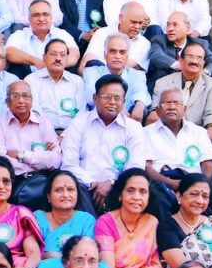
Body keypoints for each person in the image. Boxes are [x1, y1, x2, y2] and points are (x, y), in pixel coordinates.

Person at [61, 74, 148, 210]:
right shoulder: (78, 123)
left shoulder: (134, 128)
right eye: (107, 97)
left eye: (117, 98)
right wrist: (93, 184)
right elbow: (69, 164)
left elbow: (135, 167)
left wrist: (111, 183)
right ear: (95, 98)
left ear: (124, 101)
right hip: (84, 187)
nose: (112, 102)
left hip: (119, 188)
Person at [144, 86, 212, 219]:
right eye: (167, 103)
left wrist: (201, 186)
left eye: (177, 103)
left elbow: (208, 164)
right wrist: (170, 183)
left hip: (194, 180)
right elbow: (147, 167)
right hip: (162, 181)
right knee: (156, 195)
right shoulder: (146, 132)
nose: (172, 107)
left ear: (184, 110)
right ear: (157, 110)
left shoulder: (199, 132)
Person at [32, 169, 104, 268]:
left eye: (70, 190)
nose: (65, 194)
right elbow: (32, 252)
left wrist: (59, 256)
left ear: (77, 194)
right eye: (59, 190)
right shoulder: (37, 218)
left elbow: (90, 254)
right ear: (48, 196)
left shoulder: (86, 220)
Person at [0, 80, 62, 181]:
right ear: (7, 102)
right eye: (15, 96)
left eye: (25, 96)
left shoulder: (44, 123)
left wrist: (21, 155)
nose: (21, 100)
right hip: (11, 181)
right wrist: (33, 167)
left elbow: (56, 160)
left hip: (43, 179)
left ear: (32, 100)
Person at [149, 41, 212, 139]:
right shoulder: (163, 83)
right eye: (190, 57)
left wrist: (206, 141)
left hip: (198, 136)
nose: (194, 61)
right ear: (181, 60)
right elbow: (156, 110)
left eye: (199, 58)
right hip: (167, 134)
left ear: (203, 63)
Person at [80, 33, 150, 122]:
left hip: (129, 121)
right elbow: (92, 95)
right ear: (105, 55)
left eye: (122, 52)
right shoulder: (92, 71)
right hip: (98, 120)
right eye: (112, 51)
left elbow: (141, 92)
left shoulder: (137, 74)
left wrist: (139, 105)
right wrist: (119, 110)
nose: (117, 56)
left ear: (127, 56)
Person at [148, 11, 212, 89]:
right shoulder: (159, 40)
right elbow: (156, 55)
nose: (170, 29)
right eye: (168, 25)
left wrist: (203, 73)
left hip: (191, 88)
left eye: (175, 24)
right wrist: (181, 66)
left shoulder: (199, 44)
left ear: (187, 28)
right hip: (164, 88)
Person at [25, 39, 84, 131]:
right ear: (44, 57)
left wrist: (66, 135)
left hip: (72, 133)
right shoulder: (31, 80)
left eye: (63, 55)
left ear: (67, 58)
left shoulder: (77, 81)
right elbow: (34, 112)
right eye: (53, 54)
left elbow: (80, 113)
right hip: (41, 132)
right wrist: (50, 135)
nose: (58, 58)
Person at [7, 0, 78, 74]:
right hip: (27, 78)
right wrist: (36, 61)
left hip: (57, 76)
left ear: (51, 17)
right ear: (29, 18)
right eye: (36, 15)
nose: (41, 19)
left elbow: (74, 54)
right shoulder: (19, 34)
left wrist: (54, 66)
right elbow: (10, 52)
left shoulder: (62, 34)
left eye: (45, 14)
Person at [79, 2, 151, 74]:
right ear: (121, 18)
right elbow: (84, 66)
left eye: (140, 23)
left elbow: (119, 69)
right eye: (133, 22)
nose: (137, 27)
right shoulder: (101, 33)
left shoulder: (144, 44)